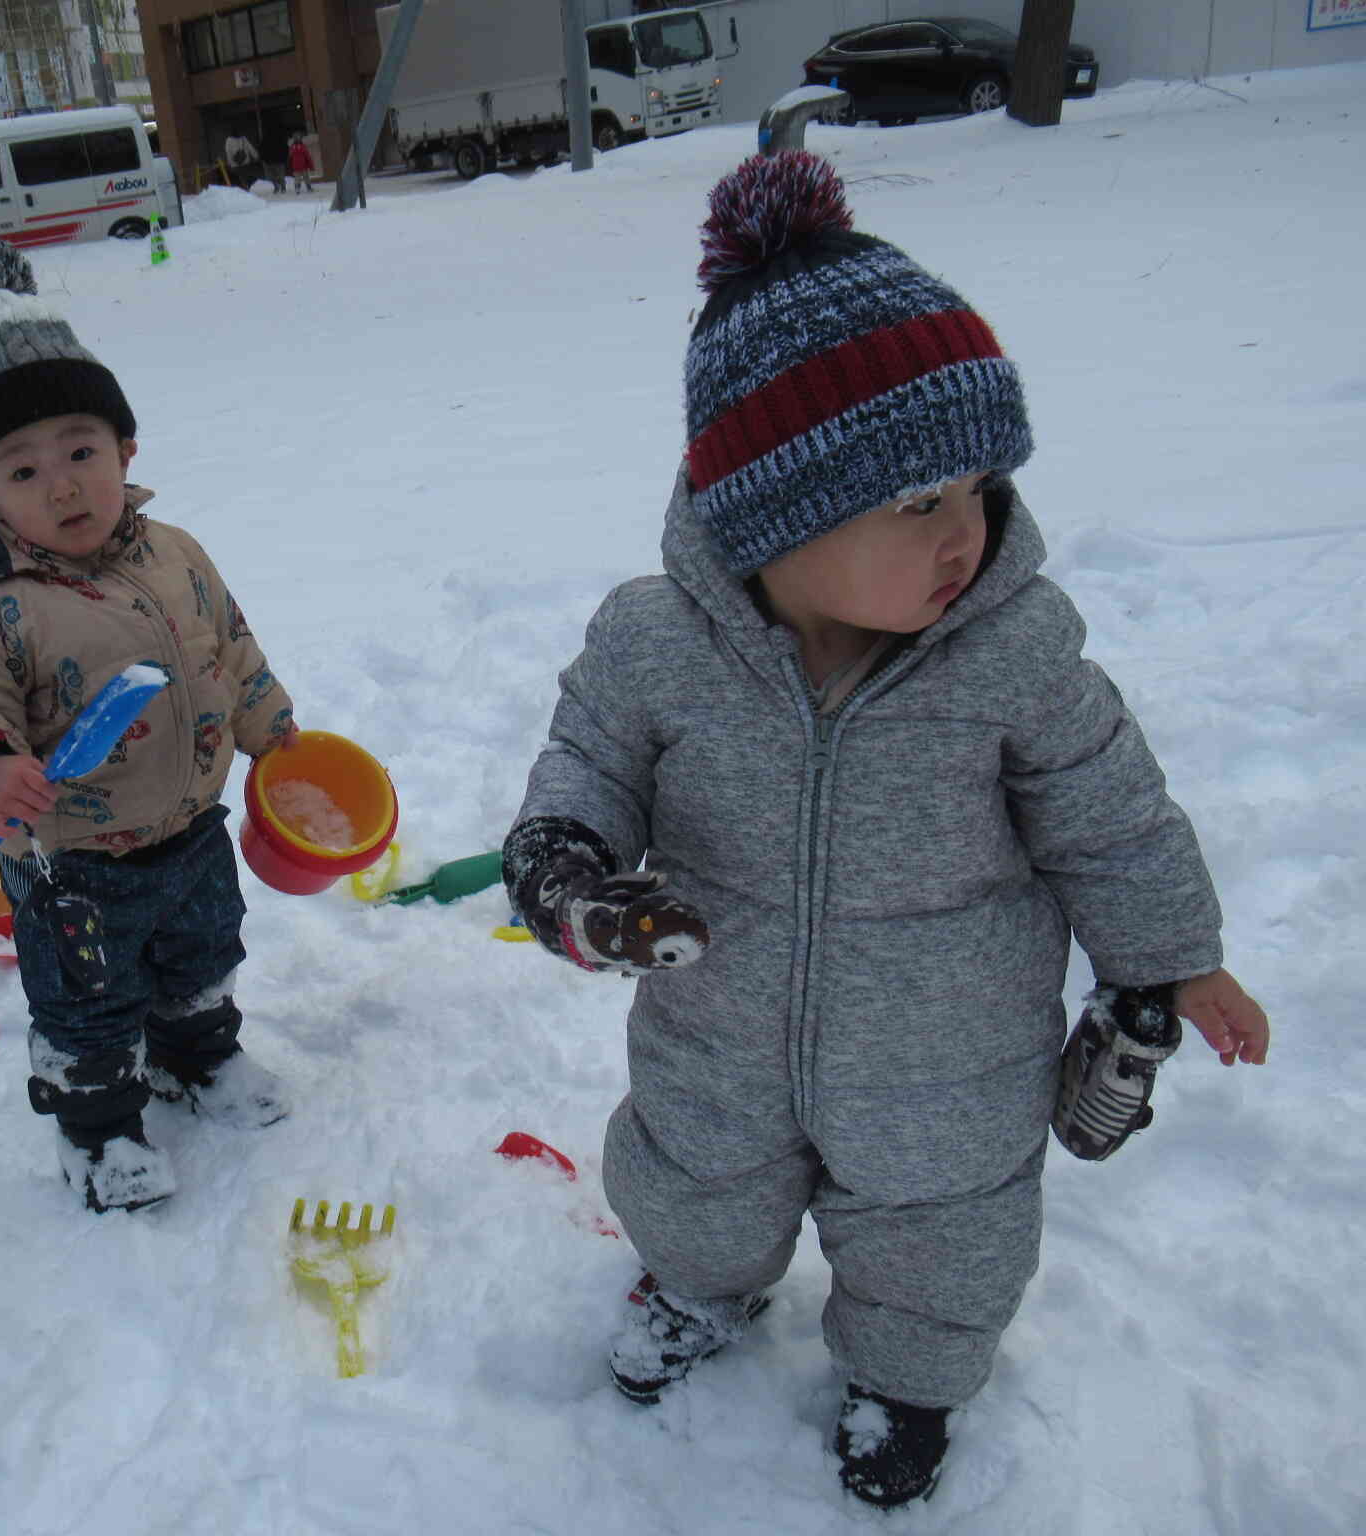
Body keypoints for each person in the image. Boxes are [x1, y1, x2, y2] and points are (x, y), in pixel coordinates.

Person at [501, 153, 1270, 1509]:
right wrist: (569, 867)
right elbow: (587, 762)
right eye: (919, 503)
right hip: (716, 1026)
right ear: (774, 517)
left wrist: (1171, 958)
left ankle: (905, 1385)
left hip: (948, 1060)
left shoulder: (1012, 654)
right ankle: (699, 1292)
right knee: (695, 1184)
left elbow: (1111, 812)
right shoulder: (654, 644)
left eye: (976, 488)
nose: (964, 532)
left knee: (942, 1241)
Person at [0, 237, 298, 1214]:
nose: (62, 485)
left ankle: (198, 1057)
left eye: (81, 451)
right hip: (69, 860)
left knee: (202, 957)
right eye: (22, 469)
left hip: (190, 831)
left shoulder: (176, 553)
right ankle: (99, 1128)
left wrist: (273, 731)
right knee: (86, 1003)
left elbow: (228, 644)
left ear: (125, 450)